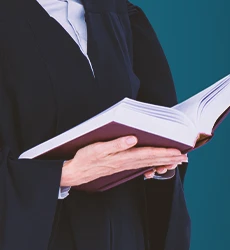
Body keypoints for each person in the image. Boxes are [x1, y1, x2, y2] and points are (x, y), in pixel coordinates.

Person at [0, 0, 191, 249]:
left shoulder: (119, 14)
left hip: (126, 232)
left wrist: (160, 163)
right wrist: (64, 174)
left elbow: (156, 111)